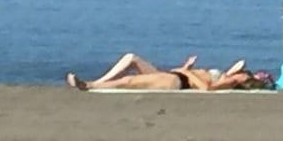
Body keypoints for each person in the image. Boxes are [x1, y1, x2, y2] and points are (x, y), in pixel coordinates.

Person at [67, 54, 267, 92]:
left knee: (129, 81)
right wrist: (187, 67)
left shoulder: (234, 80)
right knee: (131, 58)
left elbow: (206, 88)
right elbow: (240, 64)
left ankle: (90, 85)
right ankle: (97, 81)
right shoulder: (231, 76)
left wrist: (186, 71)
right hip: (175, 75)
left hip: (176, 80)